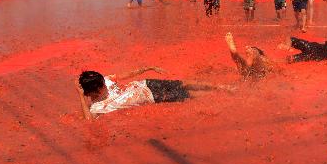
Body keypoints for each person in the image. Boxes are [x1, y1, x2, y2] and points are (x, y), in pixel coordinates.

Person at [76, 67, 230, 120]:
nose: (106, 84)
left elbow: (126, 75)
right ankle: (218, 96)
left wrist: (147, 68)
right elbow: (89, 121)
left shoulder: (105, 80)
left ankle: (222, 87)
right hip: (152, 97)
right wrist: (81, 97)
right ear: (96, 90)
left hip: (146, 83)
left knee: (182, 83)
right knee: (187, 95)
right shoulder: (98, 107)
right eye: (103, 85)